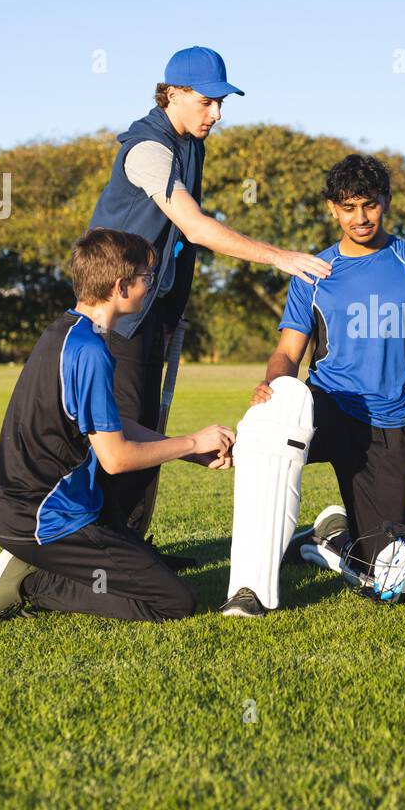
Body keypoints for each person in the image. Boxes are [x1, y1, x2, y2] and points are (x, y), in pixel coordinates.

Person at [87, 45, 331, 545]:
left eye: (222, 103)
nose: (217, 114)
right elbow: (194, 228)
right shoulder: (148, 149)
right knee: (127, 431)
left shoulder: (190, 144)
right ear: (172, 94)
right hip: (116, 317)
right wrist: (280, 257)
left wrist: (172, 308)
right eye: (206, 102)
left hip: (151, 313)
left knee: (147, 425)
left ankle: (134, 542)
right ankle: (108, 549)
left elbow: (175, 244)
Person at [221, 154, 405, 618]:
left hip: (389, 425)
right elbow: (287, 352)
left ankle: (330, 537)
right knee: (275, 421)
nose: (360, 218)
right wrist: (272, 386)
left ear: (386, 202)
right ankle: (250, 588)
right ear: (332, 209)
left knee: (386, 577)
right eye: (348, 207)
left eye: (369, 205)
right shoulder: (314, 271)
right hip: (326, 409)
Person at [0, 229, 235, 625]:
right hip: (44, 517)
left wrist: (189, 450)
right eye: (146, 277)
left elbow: (112, 424)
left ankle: (36, 559)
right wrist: (192, 440)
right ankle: (35, 583)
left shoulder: (68, 332)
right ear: (120, 286)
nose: (151, 285)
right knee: (174, 601)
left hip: (18, 509)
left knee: (142, 569)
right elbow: (115, 458)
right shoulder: (91, 350)